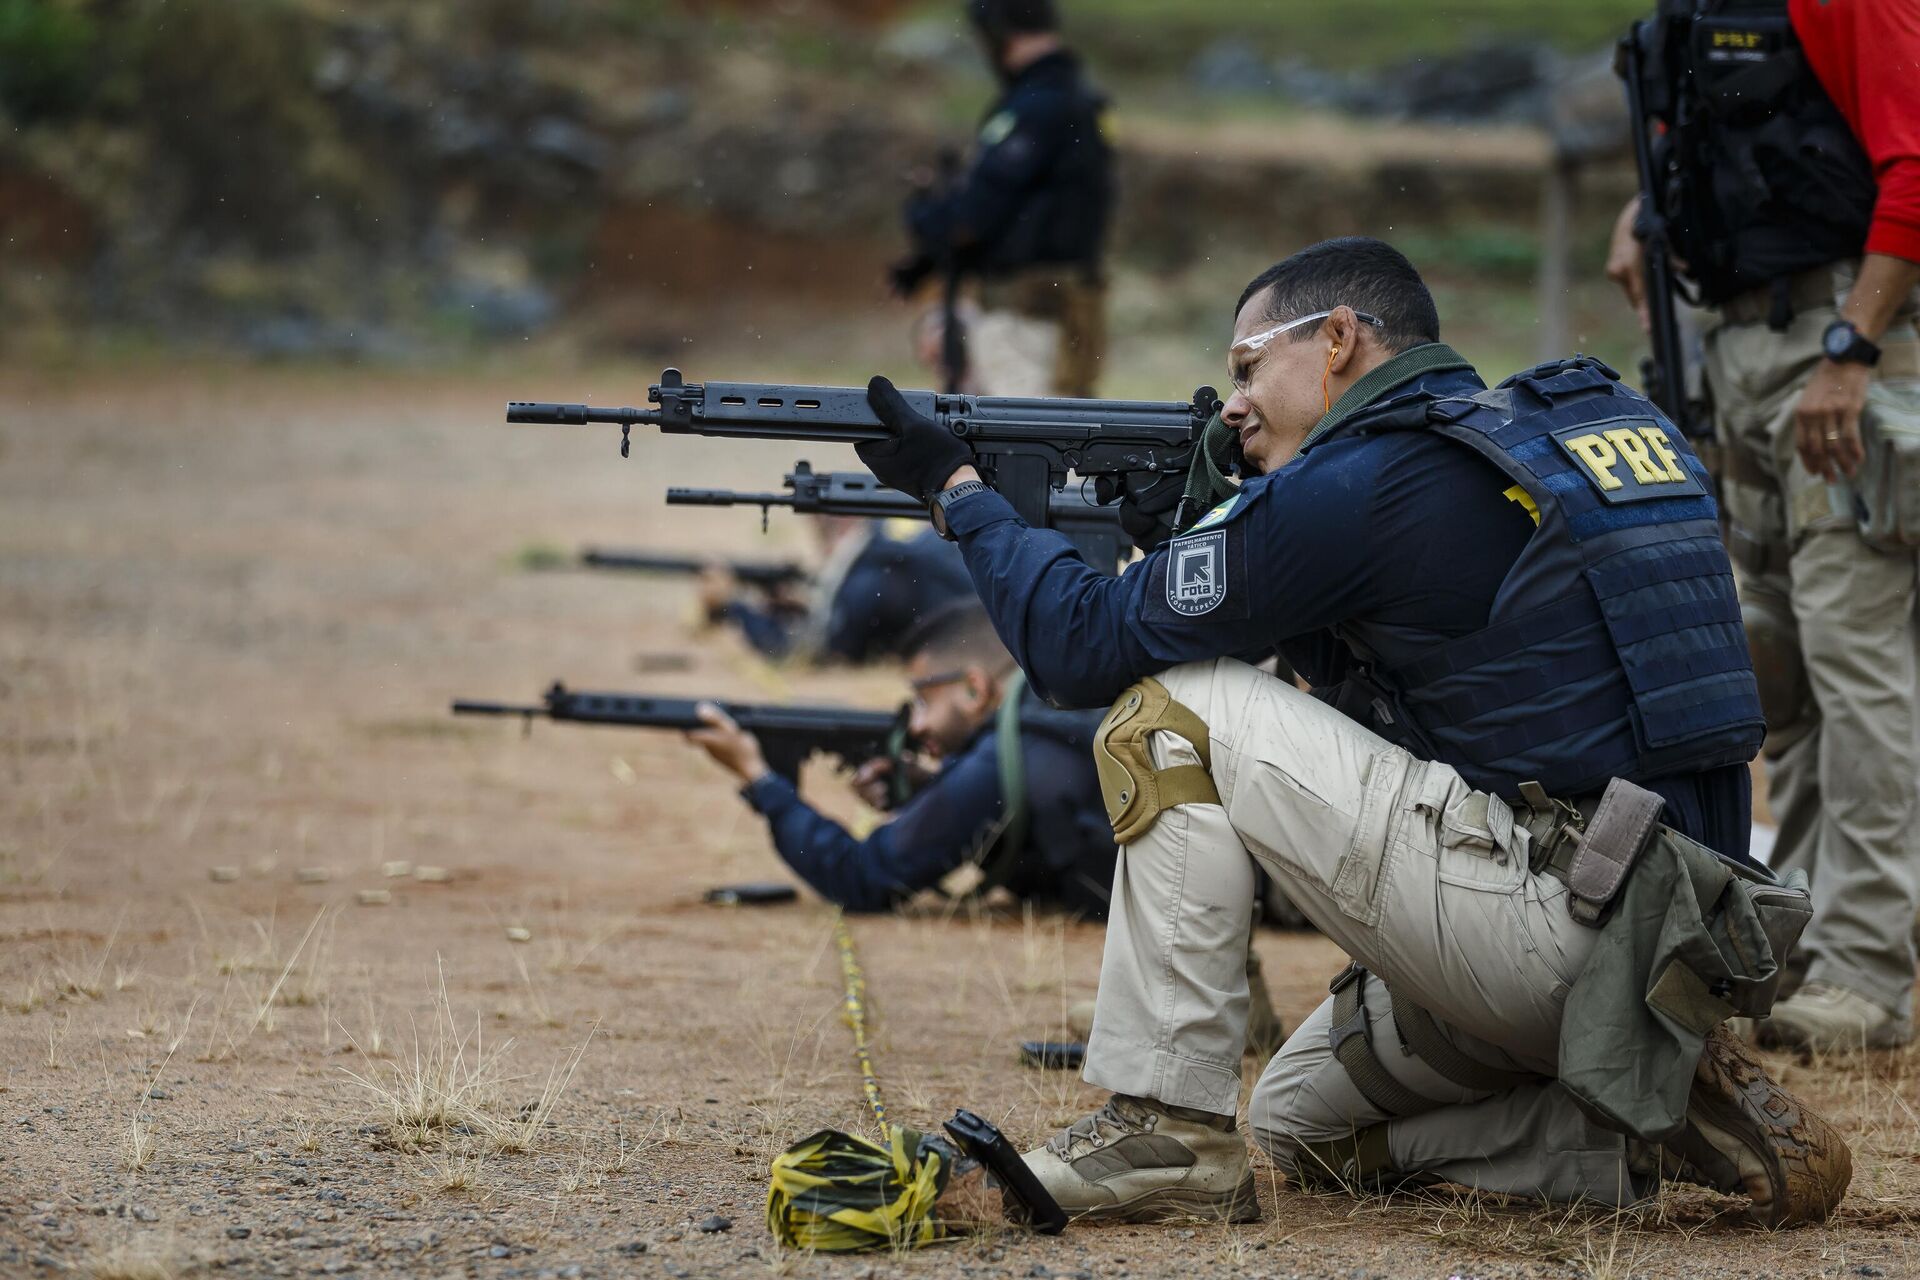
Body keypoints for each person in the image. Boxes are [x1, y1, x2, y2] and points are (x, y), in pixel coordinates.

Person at [851, 236, 1848, 1227]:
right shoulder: (1541, 443)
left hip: (1557, 930)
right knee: (1297, 1122)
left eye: (1248, 367)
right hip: (1683, 938)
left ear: (1337, 338)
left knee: (1176, 710)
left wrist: (961, 494)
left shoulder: (1362, 483)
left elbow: (1075, 649)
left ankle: (1164, 1128)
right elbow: (1464, 701)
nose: (1232, 404)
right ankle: (1639, 1117)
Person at [1608, 0, 1920, 1052]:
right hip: (1742, 343)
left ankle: (1873, 974)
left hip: (1844, 346)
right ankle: (1809, 938)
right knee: (1777, 664)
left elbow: (1916, 166)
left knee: (1857, 651)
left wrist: (1853, 349)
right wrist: (1640, 216)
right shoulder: (1702, 13)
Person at [685, 601, 1116, 915]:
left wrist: (759, 779)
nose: (916, 726)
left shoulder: (1006, 755)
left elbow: (863, 879)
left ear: (974, 690)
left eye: (924, 702)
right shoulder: (1062, 713)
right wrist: (931, 789)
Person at [890, 0, 1113, 398]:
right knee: (1058, 441)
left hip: (1028, 320)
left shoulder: (1038, 107)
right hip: (1066, 313)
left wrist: (926, 214)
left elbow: (972, 220)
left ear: (998, 31)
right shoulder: (1077, 101)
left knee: (1020, 444)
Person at [698, 516, 974, 665]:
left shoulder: (868, 580)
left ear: (841, 525)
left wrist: (731, 606)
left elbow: (797, 654)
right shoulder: (891, 548)